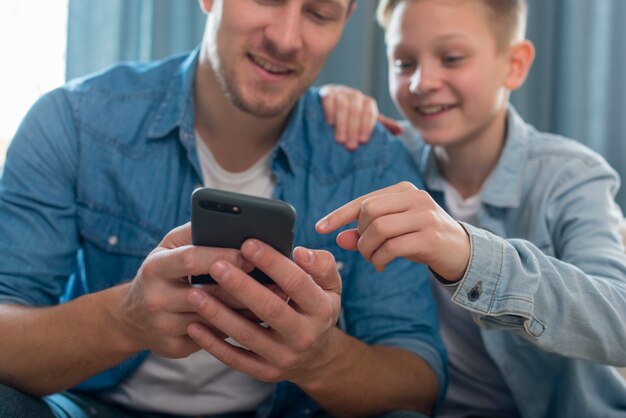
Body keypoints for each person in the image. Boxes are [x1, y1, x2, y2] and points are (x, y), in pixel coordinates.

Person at [0, 1, 447, 417]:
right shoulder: (74, 121)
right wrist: (125, 319)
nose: (287, 38)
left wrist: (320, 360)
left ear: (343, 23)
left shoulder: (371, 160)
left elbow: (419, 379)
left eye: (319, 12)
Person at [316, 0, 626, 417]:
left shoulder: (571, 177)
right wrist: (333, 103)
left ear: (514, 64)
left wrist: (470, 257)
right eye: (404, 63)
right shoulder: (385, 158)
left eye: (452, 58)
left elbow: (619, 318)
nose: (422, 82)